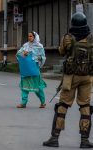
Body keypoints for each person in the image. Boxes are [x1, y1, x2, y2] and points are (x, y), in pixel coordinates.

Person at [43, 12, 93, 148]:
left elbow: (61, 51)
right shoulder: (91, 38)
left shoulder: (68, 37)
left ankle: (54, 138)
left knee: (63, 105)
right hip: (87, 76)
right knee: (85, 106)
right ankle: (84, 140)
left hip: (71, 77)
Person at [16, 31, 46, 108]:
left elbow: (43, 57)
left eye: (31, 36)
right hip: (26, 69)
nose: (29, 38)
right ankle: (23, 103)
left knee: (37, 86)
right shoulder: (25, 46)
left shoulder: (39, 46)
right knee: (24, 86)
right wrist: (23, 54)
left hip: (34, 68)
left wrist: (34, 57)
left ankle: (43, 102)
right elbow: (18, 54)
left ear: (34, 37)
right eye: (28, 36)